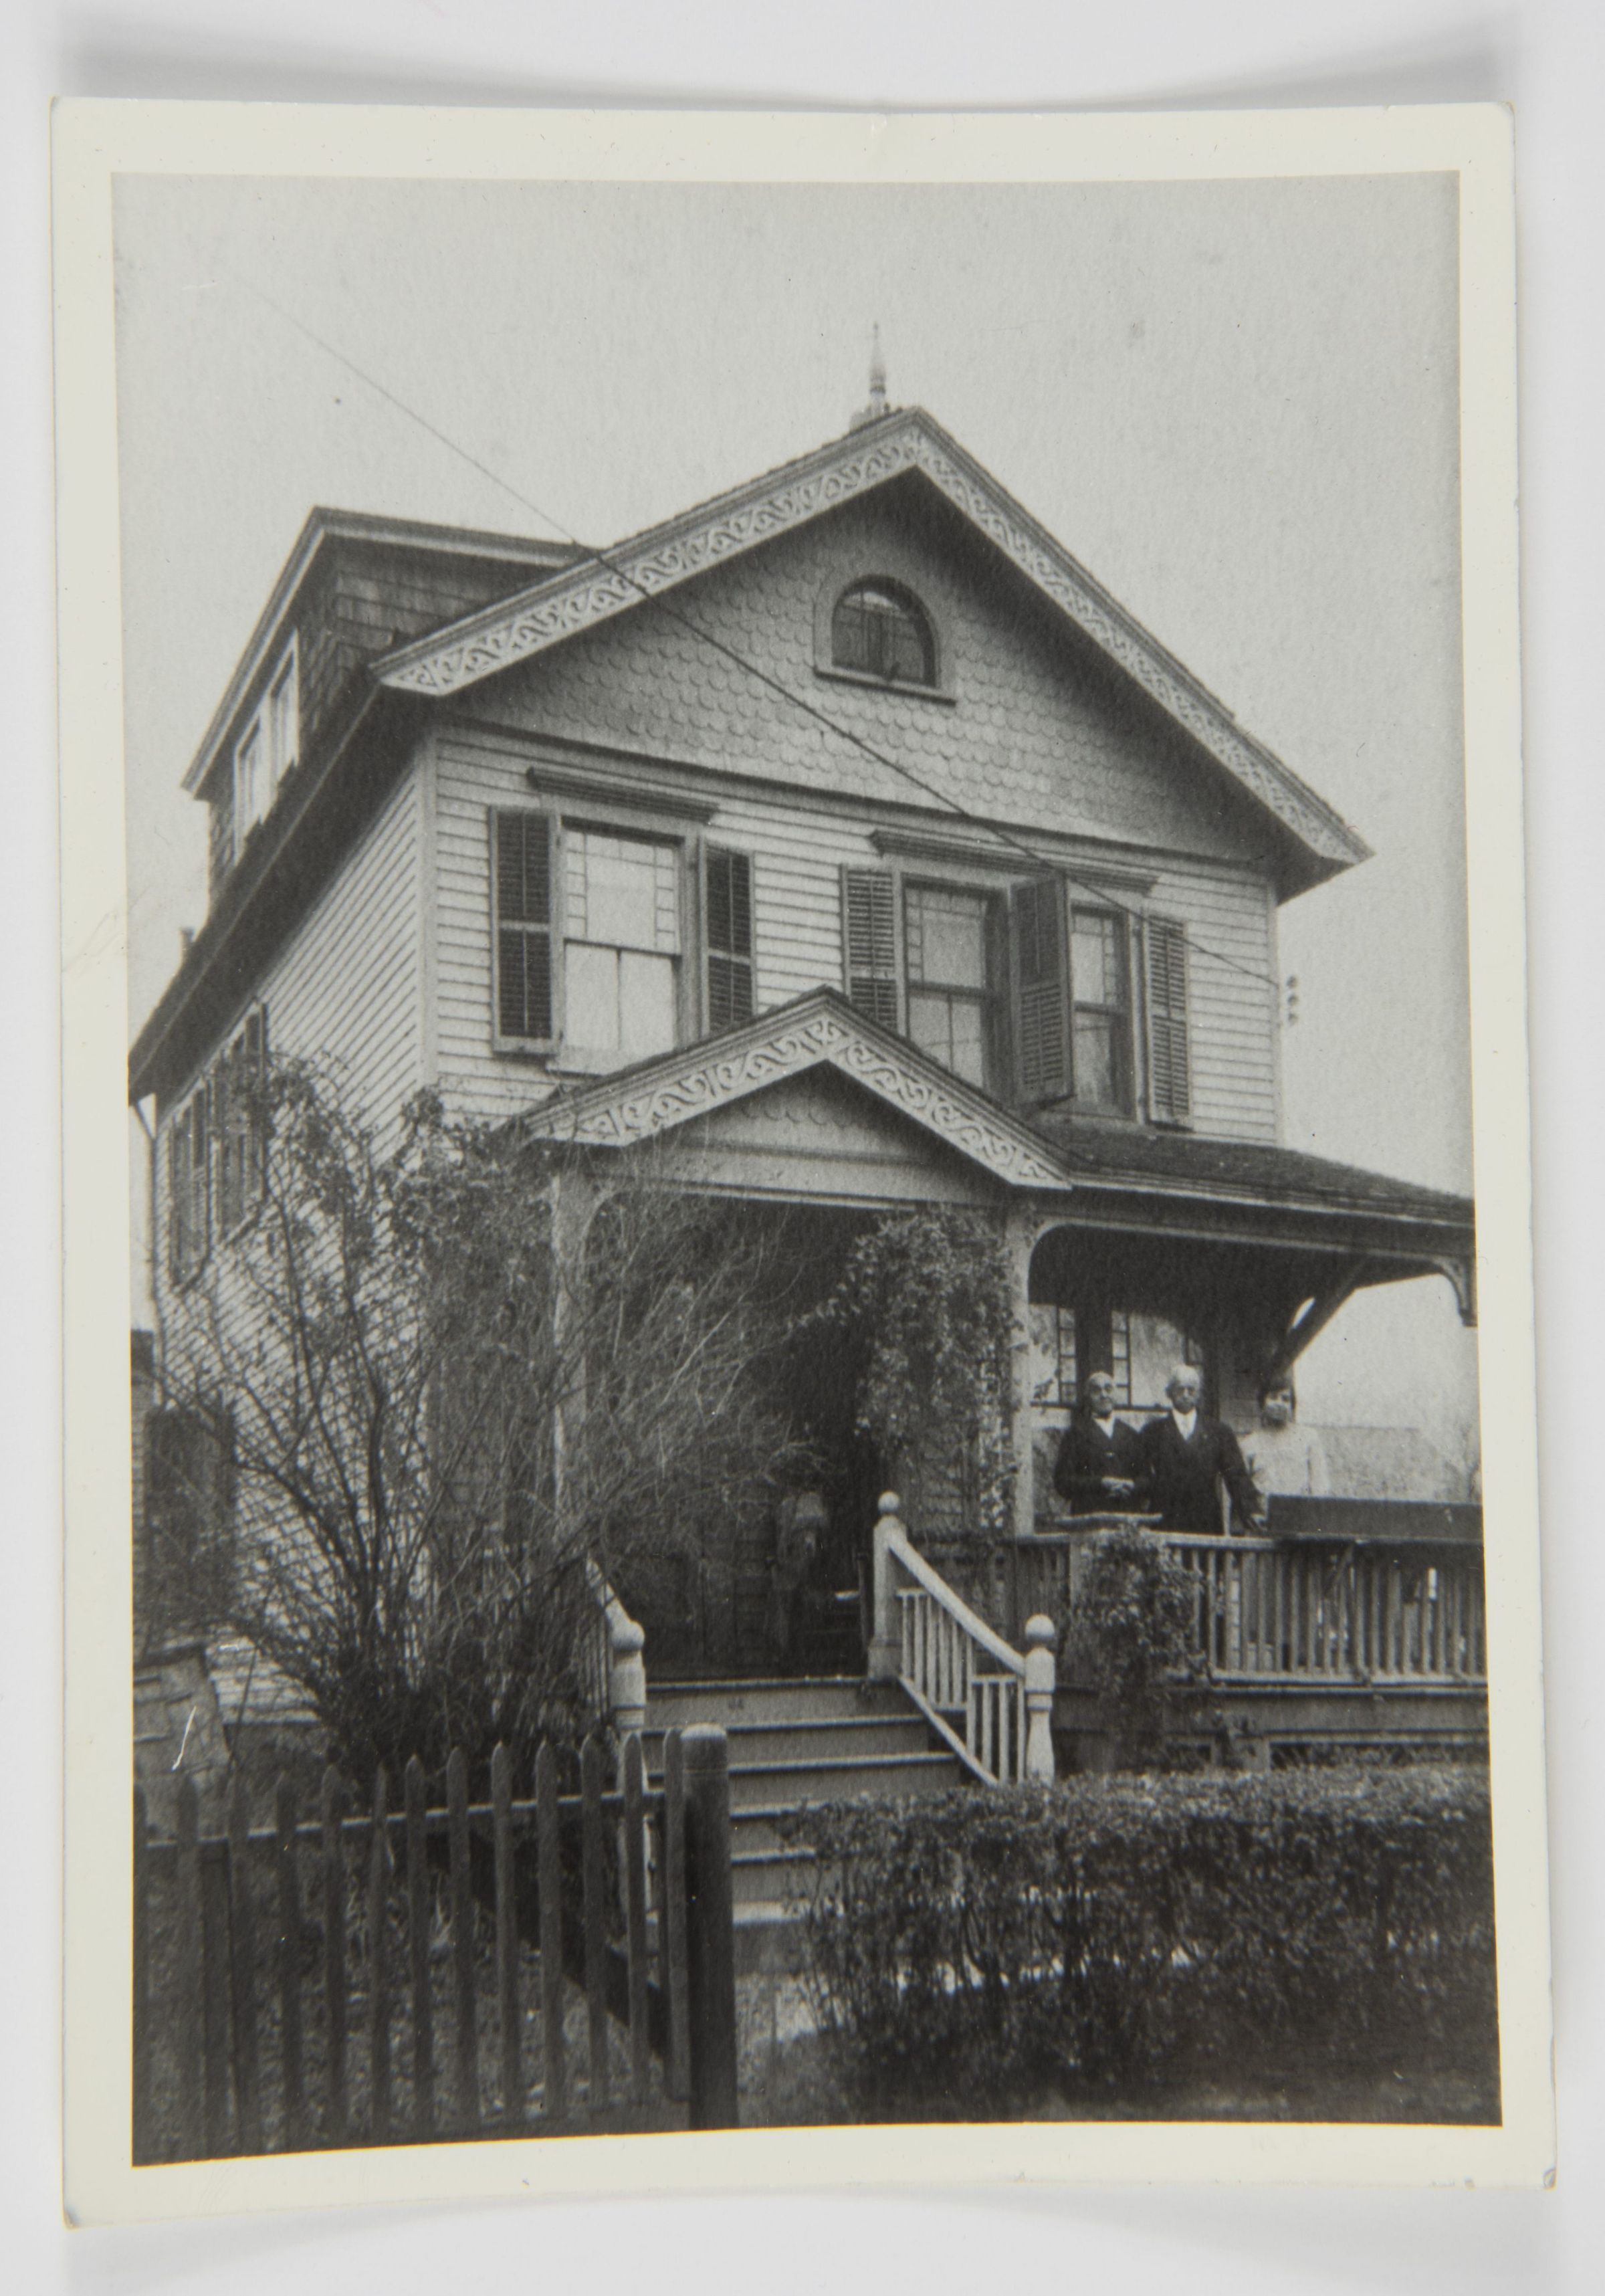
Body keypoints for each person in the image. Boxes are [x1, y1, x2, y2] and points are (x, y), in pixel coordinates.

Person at [1136, 1363, 1262, 1534]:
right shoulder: (1152, 1432)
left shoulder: (1219, 1432)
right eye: (1180, 1390)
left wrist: (1251, 1510)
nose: (1186, 1395)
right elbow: (1141, 1474)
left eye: (1191, 1390)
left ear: (1199, 1394)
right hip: (1166, 1520)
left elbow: (1237, 1475)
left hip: (1206, 1521)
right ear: (1169, 1393)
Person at [1052, 1369, 1146, 1514]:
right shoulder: (1076, 1434)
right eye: (1097, 1391)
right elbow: (1062, 1482)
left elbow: (1146, 1478)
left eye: (1108, 1389)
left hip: (1127, 1514)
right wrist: (1099, 1483)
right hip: (1090, 1514)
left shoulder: (1131, 1434)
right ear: (1088, 1397)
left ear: (1115, 1395)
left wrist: (1132, 1485)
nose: (1103, 1395)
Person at [1241, 1376, 1329, 1512]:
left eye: (1285, 1399)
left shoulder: (1308, 1438)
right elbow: (1243, 1492)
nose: (1279, 1403)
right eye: (1273, 1397)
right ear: (1262, 1403)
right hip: (1264, 1520)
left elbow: (1320, 1485)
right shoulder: (1249, 1444)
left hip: (1300, 1517)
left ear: (1292, 1406)